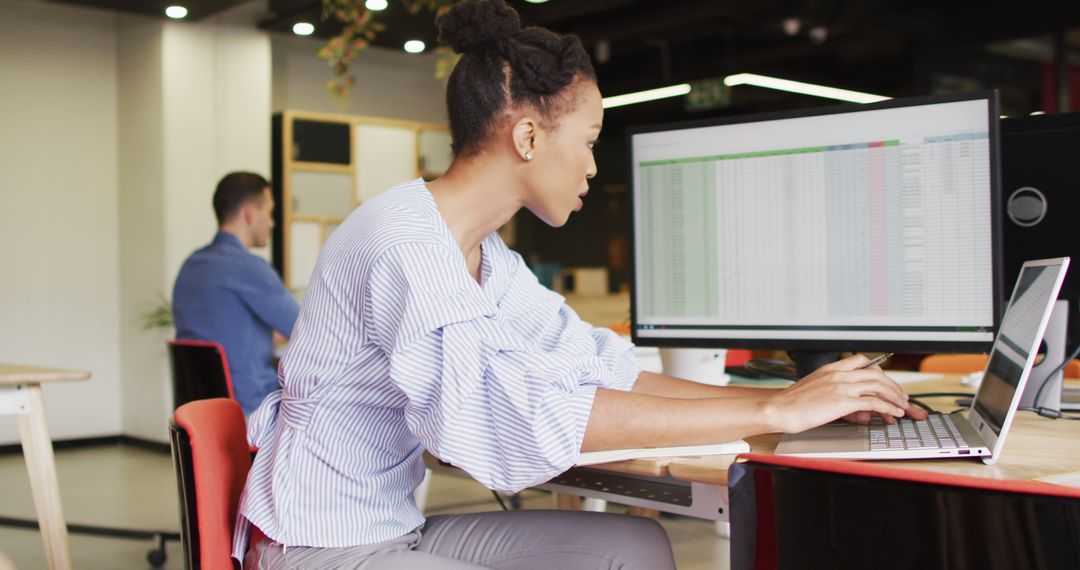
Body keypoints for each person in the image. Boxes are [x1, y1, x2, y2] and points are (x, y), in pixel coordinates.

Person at [233, 1, 927, 568]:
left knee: (635, 547)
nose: (595, 165)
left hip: (394, 525)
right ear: (529, 137)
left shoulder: (483, 253)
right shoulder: (406, 245)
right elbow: (513, 422)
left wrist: (784, 398)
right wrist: (770, 415)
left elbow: (603, 366)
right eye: (591, 138)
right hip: (321, 547)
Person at [173, 172, 300, 417]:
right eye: (270, 212)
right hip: (251, 409)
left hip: (199, 415)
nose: (272, 223)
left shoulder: (191, 266)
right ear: (250, 213)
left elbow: (220, 329)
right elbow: (306, 328)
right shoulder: (248, 267)